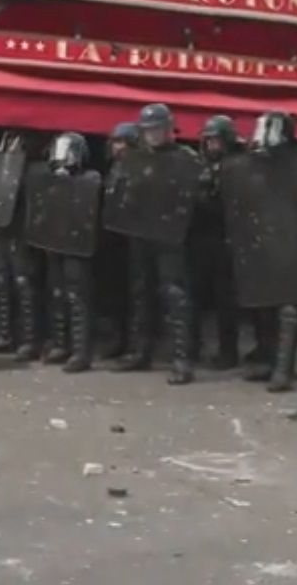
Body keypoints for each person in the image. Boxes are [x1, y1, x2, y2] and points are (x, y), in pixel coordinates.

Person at [223, 111, 297, 393]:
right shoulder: (251, 165)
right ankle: (271, 361)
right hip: (264, 240)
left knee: (289, 306)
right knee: (266, 304)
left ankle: (282, 369)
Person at [112, 104, 201, 385]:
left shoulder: (187, 159)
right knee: (140, 293)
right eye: (148, 130)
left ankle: (181, 360)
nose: (152, 135)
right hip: (141, 234)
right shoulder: (135, 159)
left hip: (171, 238)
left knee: (175, 296)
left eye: (157, 129)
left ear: (168, 129)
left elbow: (198, 198)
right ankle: (141, 351)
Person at [24, 132, 102, 373]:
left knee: (77, 297)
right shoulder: (45, 178)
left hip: (77, 244)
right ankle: (61, 343)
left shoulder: (90, 180)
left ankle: (80, 351)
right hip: (54, 240)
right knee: (56, 292)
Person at [189, 115, 243, 370]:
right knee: (194, 296)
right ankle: (191, 347)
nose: (212, 145)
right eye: (208, 140)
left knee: (226, 300)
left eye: (216, 140)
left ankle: (228, 351)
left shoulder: (238, 165)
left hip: (227, 238)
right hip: (200, 238)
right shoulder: (199, 165)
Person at [0, 131, 37, 357]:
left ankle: (29, 338)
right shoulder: (0, 149)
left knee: (23, 283)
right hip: (1, 223)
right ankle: (6, 333)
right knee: (3, 281)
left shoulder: (29, 159)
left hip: (19, 227)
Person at [98, 123, 139, 360]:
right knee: (115, 295)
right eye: (115, 142)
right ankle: (118, 339)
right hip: (113, 238)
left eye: (123, 142)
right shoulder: (112, 169)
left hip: (134, 238)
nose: (118, 147)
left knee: (136, 295)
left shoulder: (140, 168)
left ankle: (135, 344)